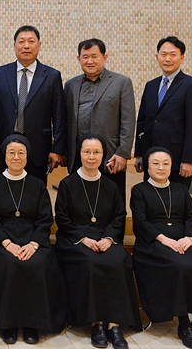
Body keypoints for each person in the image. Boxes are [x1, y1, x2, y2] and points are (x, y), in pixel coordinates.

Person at [0, 134, 66, 344]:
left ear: (27, 156)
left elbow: (45, 219)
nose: (16, 157)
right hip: (2, 239)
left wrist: (33, 244)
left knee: (37, 262)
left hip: (32, 237)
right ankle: (7, 323)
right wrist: (8, 244)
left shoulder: (37, 185)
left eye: (21, 153)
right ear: (4, 156)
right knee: (8, 262)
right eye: (11, 153)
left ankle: (32, 323)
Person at [131, 147, 192, 348]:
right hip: (153, 243)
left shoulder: (180, 189)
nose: (161, 167)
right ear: (147, 167)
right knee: (178, 266)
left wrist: (189, 238)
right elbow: (141, 221)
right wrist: (163, 239)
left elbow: (191, 215)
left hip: (182, 240)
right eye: (155, 163)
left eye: (165, 163)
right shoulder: (139, 191)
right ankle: (183, 323)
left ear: (171, 166)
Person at [54, 135, 141, 349]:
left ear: (103, 155)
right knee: (91, 262)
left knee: (118, 260)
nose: (91, 157)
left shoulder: (111, 185)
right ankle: (96, 324)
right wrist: (83, 239)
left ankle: (114, 324)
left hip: (105, 237)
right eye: (87, 152)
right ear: (80, 154)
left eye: (96, 152)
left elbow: (118, 216)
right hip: (76, 239)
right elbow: (62, 219)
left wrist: (109, 239)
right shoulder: (67, 184)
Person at [0, 25, 67, 183]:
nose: (26, 46)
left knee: (36, 190)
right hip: (4, 145)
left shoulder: (52, 76)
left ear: (39, 45)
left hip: (39, 149)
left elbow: (59, 117)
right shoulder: (0, 73)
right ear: (14, 45)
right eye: (21, 41)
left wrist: (57, 148)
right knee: (5, 190)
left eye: (31, 41)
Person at [64, 38, 135, 200]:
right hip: (79, 157)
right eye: (85, 57)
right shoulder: (71, 85)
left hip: (111, 156)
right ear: (79, 59)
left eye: (94, 56)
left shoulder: (121, 83)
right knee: (79, 202)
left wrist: (123, 153)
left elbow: (128, 121)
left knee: (111, 202)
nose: (89, 61)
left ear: (105, 57)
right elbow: (66, 121)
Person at [134, 36, 192, 190]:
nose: (167, 59)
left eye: (173, 54)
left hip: (177, 160)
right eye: (163, 54)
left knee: (175, 200)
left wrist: (188, 160)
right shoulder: (151, 85)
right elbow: (143, 121)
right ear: (157, 57)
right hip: (151, 158)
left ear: (182, 58)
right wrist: (139, 154)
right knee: (152, 198)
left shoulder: (191, 85)